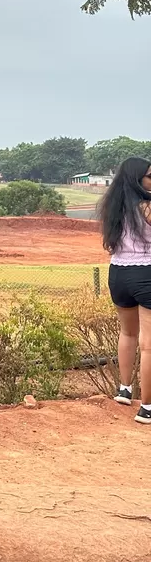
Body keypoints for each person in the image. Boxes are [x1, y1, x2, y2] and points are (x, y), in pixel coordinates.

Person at [101, 156, 151, 423]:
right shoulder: (147, 207)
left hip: (118, 272)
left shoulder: (114, 207)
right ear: (137, 179)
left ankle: (124, 389)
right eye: (150, 177)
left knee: (127, 333)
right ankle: (147, 407)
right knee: (149, 345)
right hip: (146, 273)